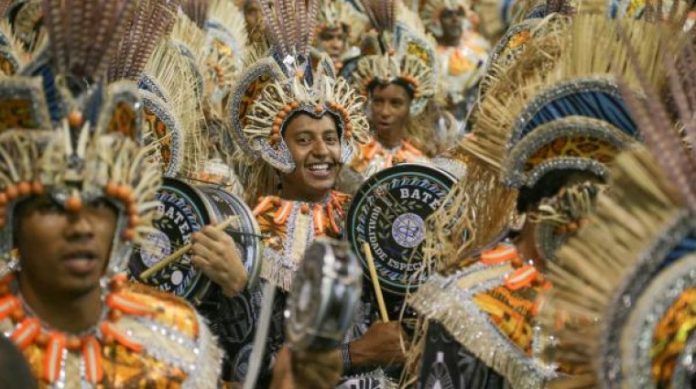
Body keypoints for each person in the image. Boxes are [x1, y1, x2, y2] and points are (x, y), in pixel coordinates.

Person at [226, 1, 409, 386]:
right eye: (304, 140)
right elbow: (245, 366)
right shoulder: (251, 234)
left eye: (330, 138)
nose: (322, 151)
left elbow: (400, 336)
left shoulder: (367, 219)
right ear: (276, 152)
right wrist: (354, 354)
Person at [338, 0, 438, 193]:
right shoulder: (350, 156)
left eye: (396, 103)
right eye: (378, 101)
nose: (385, 112)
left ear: (412, 105)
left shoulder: (420, 164)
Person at [418, 0, 490, 120]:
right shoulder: (432, 57)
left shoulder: (478, 51)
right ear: (436, 22)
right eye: (447, 15)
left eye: (459, 14)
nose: (455, 20)